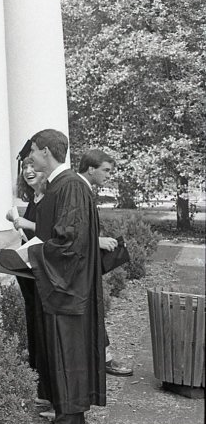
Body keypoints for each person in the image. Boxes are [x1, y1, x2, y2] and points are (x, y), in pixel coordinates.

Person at [25, 129, 106, 424]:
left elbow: (68, 242)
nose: (29, 157)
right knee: (64, 355)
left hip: (68, 289)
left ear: (45, 151)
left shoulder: (69, 186)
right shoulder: (60, 185)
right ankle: (71, 419)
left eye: (32, 150)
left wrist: (32, 253)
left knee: (68, 355)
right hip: (62, 286)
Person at [77, 149, 133, 377]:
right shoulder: (76, 188)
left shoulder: (83, 188)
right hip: (77, 268)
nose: (109, 175)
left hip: (85, 265)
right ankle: (103, 359)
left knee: (93, 312)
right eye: (106, 170)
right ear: (91, 168)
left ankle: (103, 357)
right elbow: (69, 230)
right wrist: (96, 241)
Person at [5, 140, 52, 406]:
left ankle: (46, 389)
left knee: (44, 326)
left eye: (33, 165)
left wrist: (27, 223)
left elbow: (51, 230)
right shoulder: (34, 198)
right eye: (24, 166)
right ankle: (38, 381)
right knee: (33, 322)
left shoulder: (52, 196)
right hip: (28, 269)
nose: (28, 170)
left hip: (43, 270)